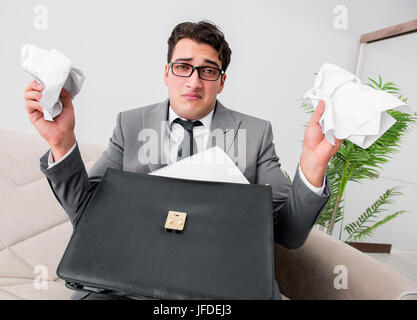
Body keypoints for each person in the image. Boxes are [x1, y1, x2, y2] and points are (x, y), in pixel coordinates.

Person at [24, 21, 343, 300]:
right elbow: (86, 215)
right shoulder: (131, 125)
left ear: (222, 80)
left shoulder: (255, 134)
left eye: (207, 70)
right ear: (167, 73)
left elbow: (288, 233)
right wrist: (61, 141)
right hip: (128, 282)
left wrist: (313, 166)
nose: (193, 82)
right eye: (183, 67)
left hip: (223, 286)